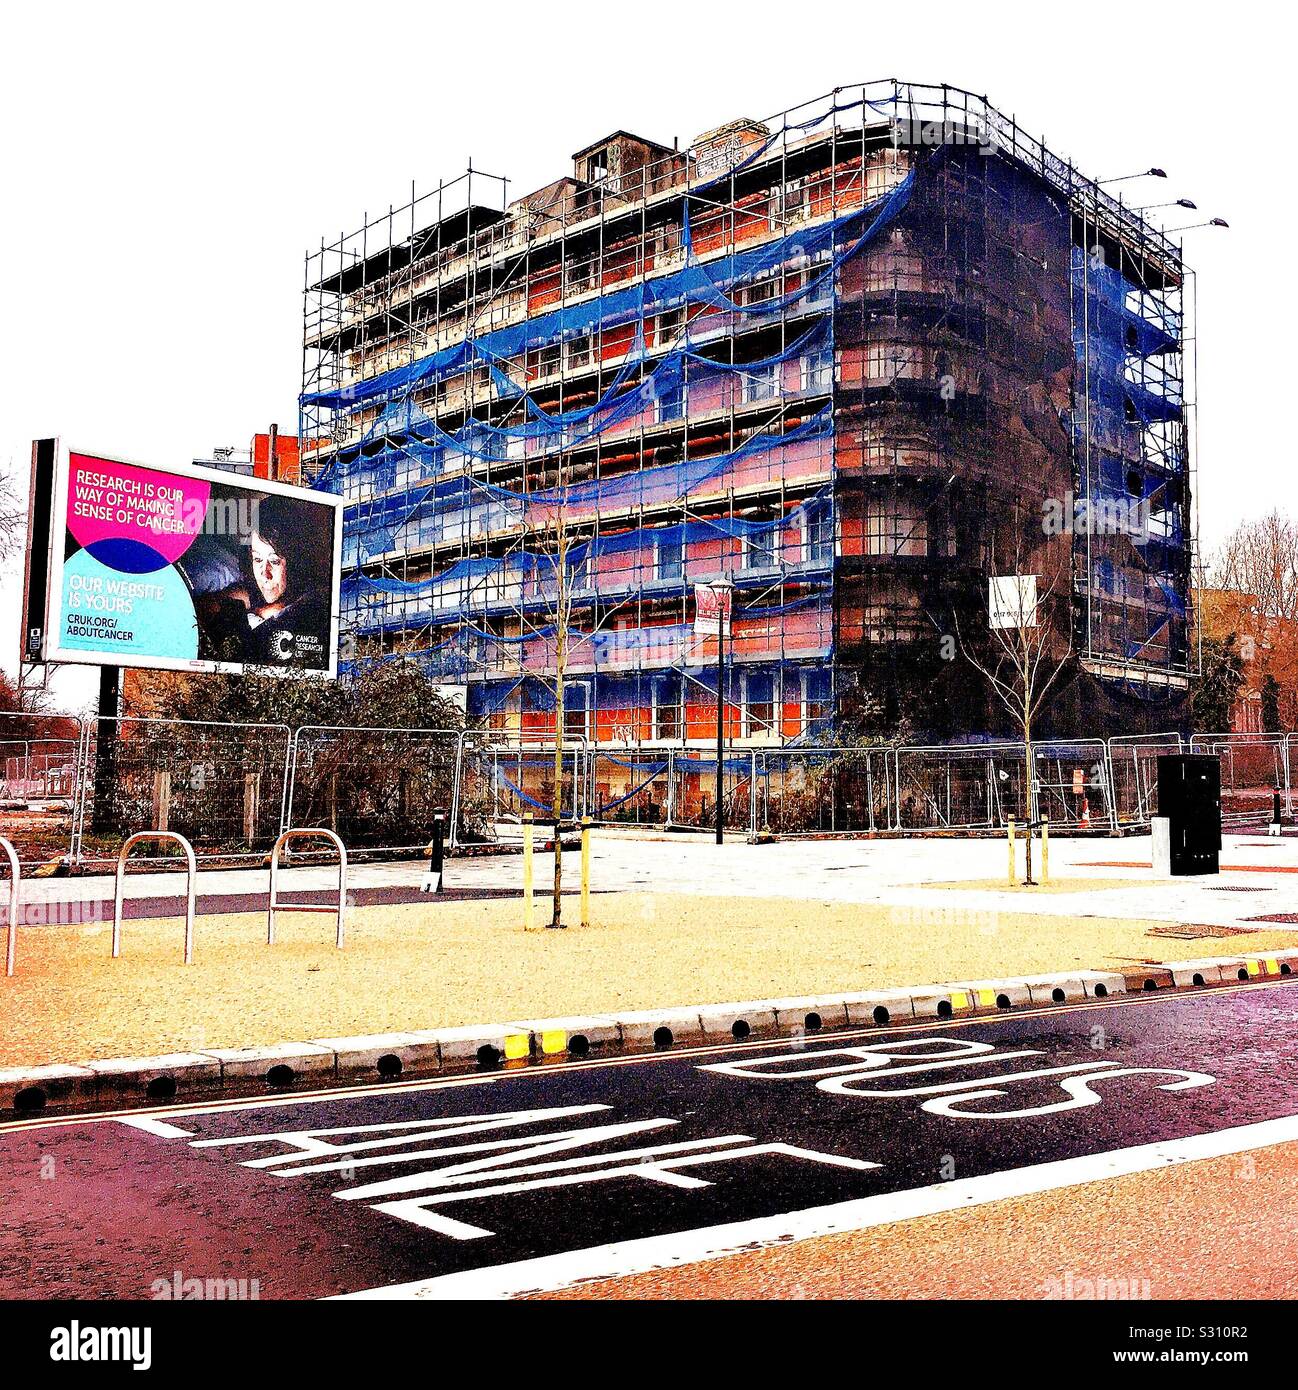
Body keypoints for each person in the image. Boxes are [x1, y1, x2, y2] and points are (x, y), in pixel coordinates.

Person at [196, 496, 331, 666]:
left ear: (296, 562)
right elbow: (206, 607)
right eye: (257, 559)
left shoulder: (315, 604)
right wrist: (260, 611)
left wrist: (265, 612)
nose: (264, 574)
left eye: (274, 562)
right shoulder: (254, 590)